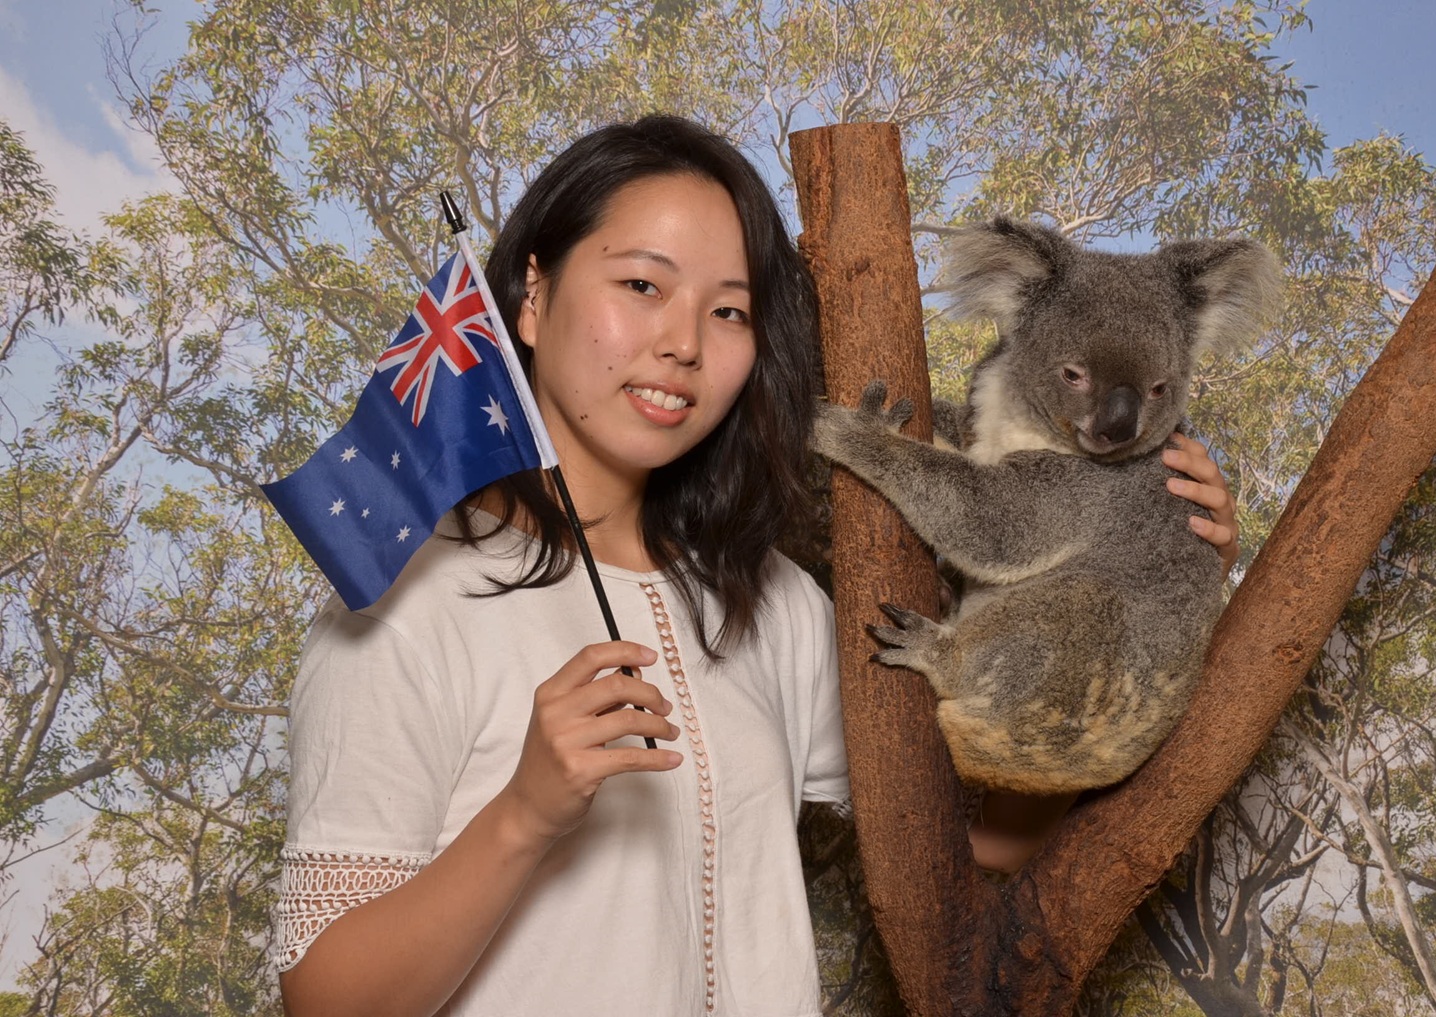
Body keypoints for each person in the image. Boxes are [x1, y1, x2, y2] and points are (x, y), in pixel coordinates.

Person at [273, 115, 1241, 1017]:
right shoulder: (408, 605)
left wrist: (1162, 572)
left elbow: (992, 837)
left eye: (730, 310)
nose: (683, 344)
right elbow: (324, 1000)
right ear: (533, 297)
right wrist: (524, 814)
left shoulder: (775, 606)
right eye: (641, 286)